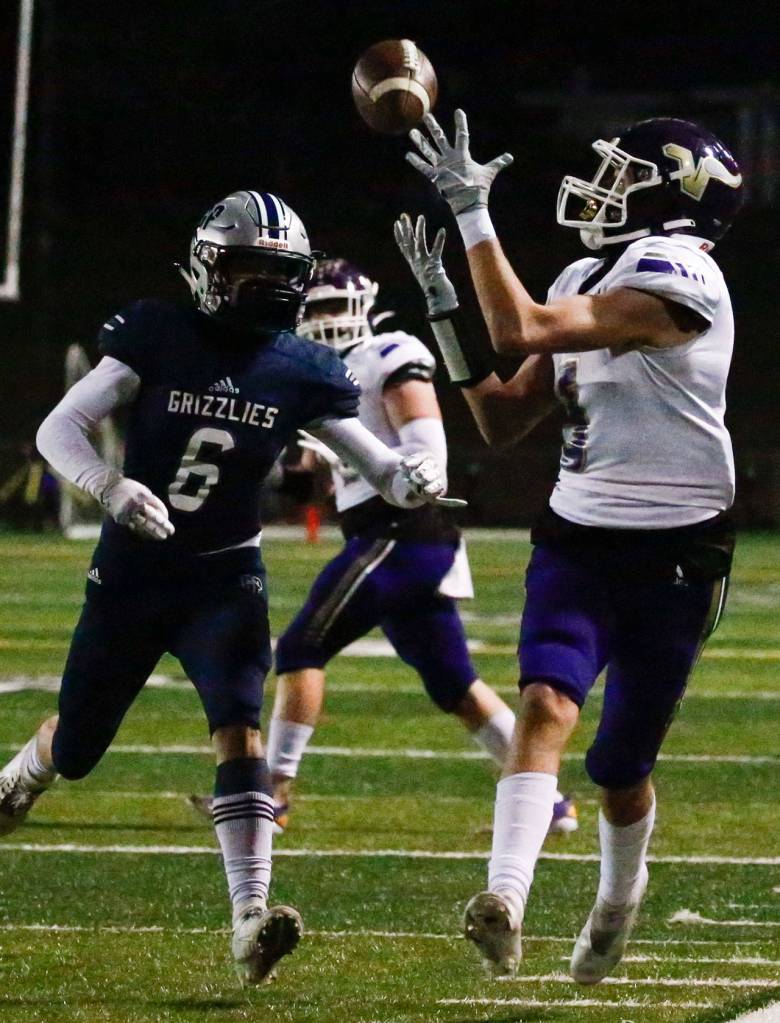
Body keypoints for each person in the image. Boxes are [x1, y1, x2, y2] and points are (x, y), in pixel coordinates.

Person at [0, 191, 453, 985]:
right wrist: (108, 486)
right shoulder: (158, 332)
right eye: (250, 269)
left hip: (225, 575)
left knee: (240, 731)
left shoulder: (301, 363)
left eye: (281, 274)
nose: (268, 289)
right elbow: (57, 429)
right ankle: (21, 776)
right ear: (210, 265)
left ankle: (251, 916)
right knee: (77, 747)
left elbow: (375, 463)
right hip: (133, 576)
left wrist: (410, 477)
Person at [398, 112, 742, 981]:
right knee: (547, 703)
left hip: (675, 551)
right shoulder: (590, 271)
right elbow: (504, 417)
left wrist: (472, 214)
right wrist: (444, 311)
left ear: (675, 199)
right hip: (579, 534)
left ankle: (619, 897)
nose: (604, 187)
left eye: (627, 174)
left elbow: (520, 329)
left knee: (619, 764)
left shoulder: (681, 274)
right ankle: (503, 899)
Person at [188, 257, 579, 834]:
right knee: (454, 684)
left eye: (331, 306)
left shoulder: (387, 353)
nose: (323, 320)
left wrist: (401, 469)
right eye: (313, 309)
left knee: (299, 649)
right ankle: (550, 804)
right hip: (396, 537)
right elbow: (307, 482)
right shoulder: (319, 373)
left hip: (401, 530)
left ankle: (272, 795)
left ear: (362, 306)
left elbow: (424, 445)